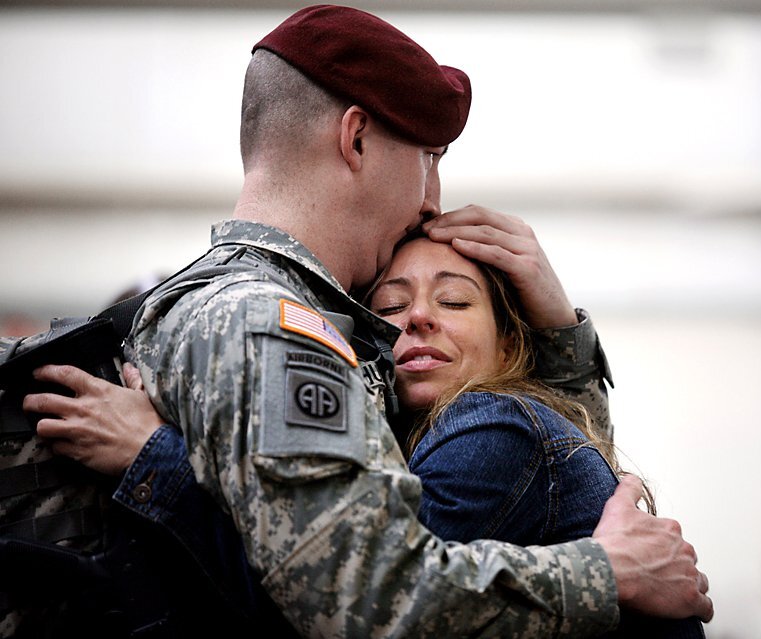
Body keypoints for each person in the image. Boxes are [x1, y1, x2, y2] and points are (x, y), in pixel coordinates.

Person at [17, 5, 712, 637]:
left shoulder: (302, 322)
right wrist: (606, 573)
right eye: (428, 158)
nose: (433, 200)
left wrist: (555, 340)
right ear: (356, 139)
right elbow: (371, 603)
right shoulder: (271, 327)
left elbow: (530, 476)